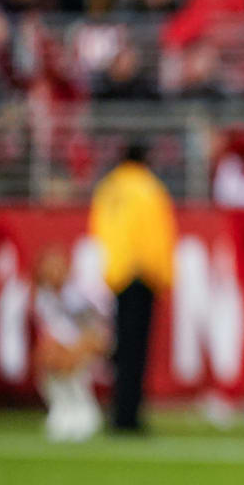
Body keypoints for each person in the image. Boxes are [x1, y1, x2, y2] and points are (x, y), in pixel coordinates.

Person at [89, 143, 176, 433]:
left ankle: (118, 411)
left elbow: (98, 231)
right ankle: (129, 416)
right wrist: (159, 275)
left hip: (117, 276)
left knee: (121, 349)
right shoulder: (148, 188)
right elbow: (155, 235)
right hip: (141, 277)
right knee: (135, 352)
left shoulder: (108, 187)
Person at [33, 246, 110, 442]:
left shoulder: (75, 294)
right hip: (61, 344)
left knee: (66, 359)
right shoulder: (43, 296)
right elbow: (49, 330)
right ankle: (61, 406)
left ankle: (83, 408)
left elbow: (93, 330)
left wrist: (74, 350)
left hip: (86, 342)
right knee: (47, 356)